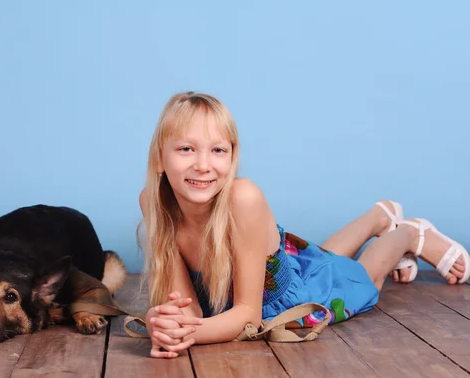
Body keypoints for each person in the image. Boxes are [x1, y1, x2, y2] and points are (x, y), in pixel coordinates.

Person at [136, 91, 469, 359]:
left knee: (361, 277)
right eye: (186, 149)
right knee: (326, 261)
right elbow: (185, 304)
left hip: (284, 301)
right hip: (274, 272)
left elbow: (249, 316)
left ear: (232, 158)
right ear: (159, 159)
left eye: (218, 150)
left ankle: (409, 233)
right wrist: (167, 324)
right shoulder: (153, 202)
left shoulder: (243, 197)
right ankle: (379, 216)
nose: (203, 165)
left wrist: (189, 333)